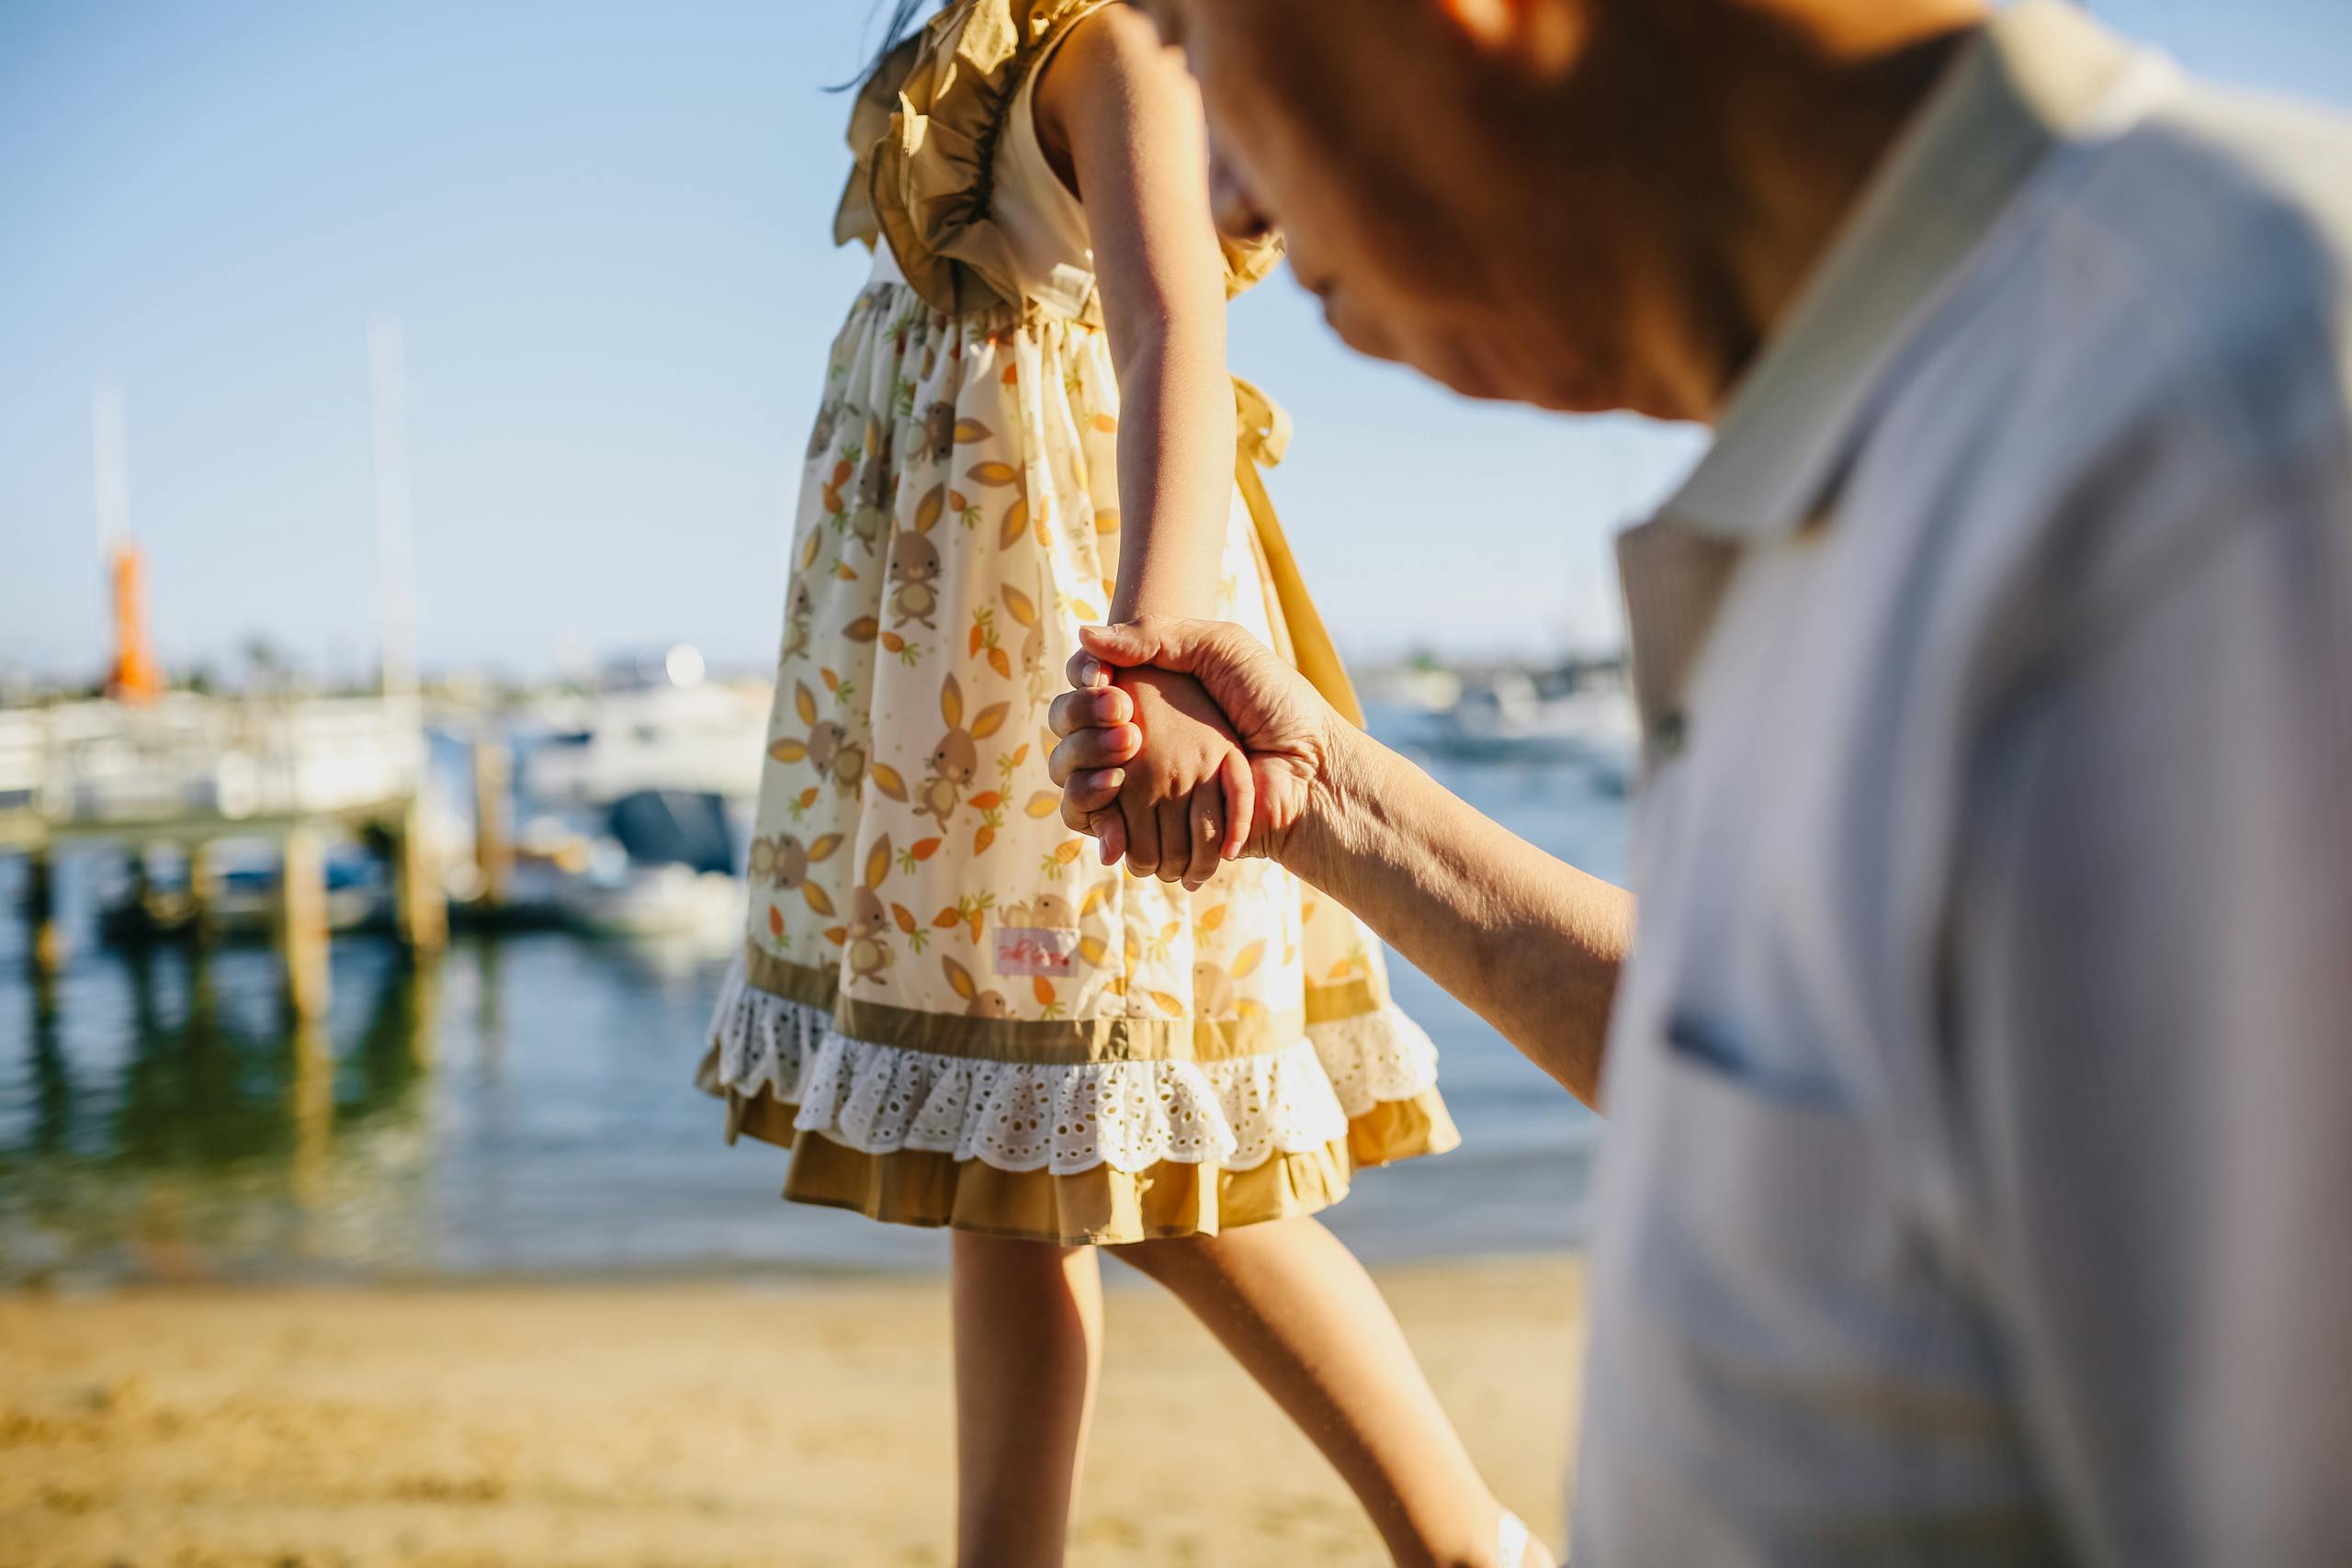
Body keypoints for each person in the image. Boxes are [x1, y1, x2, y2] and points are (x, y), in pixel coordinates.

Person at [1052, 0, 2352, 1561]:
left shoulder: (2222, 439)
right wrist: (1328, 802)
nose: (1222, 200)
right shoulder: (1915, 426)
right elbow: (1836, 1114)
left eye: (1199, 45)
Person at [700, 3, 1547, 1563]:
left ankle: (1466, 1541)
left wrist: (1157, 647)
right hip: (949, 674)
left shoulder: (1111, 49)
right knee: (999, 1163)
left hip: (1059, 652)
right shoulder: (982, 53)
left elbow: (1177, 337)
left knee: (1134, 1133)